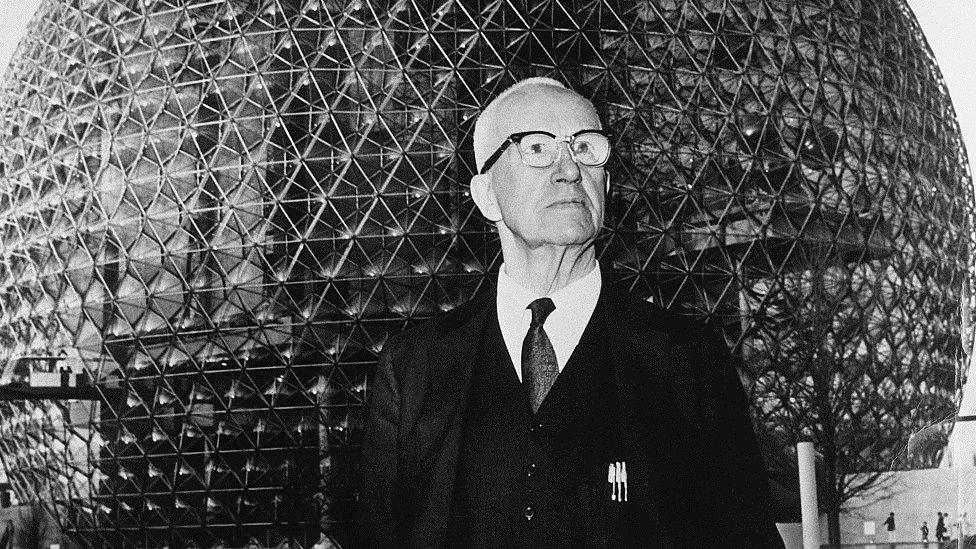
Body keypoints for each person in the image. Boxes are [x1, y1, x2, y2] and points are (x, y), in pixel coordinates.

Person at [356, 77, 784, 548]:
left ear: (607, 180)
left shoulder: (684, 358)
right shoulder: (414, 366)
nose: (570, 170)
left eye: (586, 148)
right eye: (537, 148)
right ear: (486, 195)